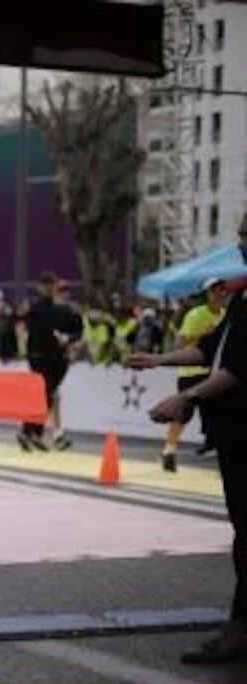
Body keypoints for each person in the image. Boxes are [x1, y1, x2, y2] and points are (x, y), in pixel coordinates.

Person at [127, 223, 247, 664]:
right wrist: (158, 360)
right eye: (241, 235)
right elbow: (210, 350)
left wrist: (186, 397)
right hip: (232, 431)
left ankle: (239, 628)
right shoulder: (241, 298)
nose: (241, 244)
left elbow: (238, 369)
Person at [159, 278, 228, 471]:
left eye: (222, 290)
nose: (220, 294)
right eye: (215, 290)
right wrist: (204, 335)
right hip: (192, 372)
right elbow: (180, 344)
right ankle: (169, 450)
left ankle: (214, 445)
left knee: (223, 410)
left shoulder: (226, 315)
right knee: (183, 414)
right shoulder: (196, 315)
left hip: (214, 372)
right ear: (207, 294)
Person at [17, 273, 82, 452]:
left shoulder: (67, 310)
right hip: (38, 357)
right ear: (39, 287)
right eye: (44, 284)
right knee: (44, 392)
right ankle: (30, 431)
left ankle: (31, 431)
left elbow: (78, 331)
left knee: (47, 395)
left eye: (50, 284)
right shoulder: (33, 308)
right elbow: (17, 323)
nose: (47, 288)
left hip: (59, 359)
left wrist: (68, 338)